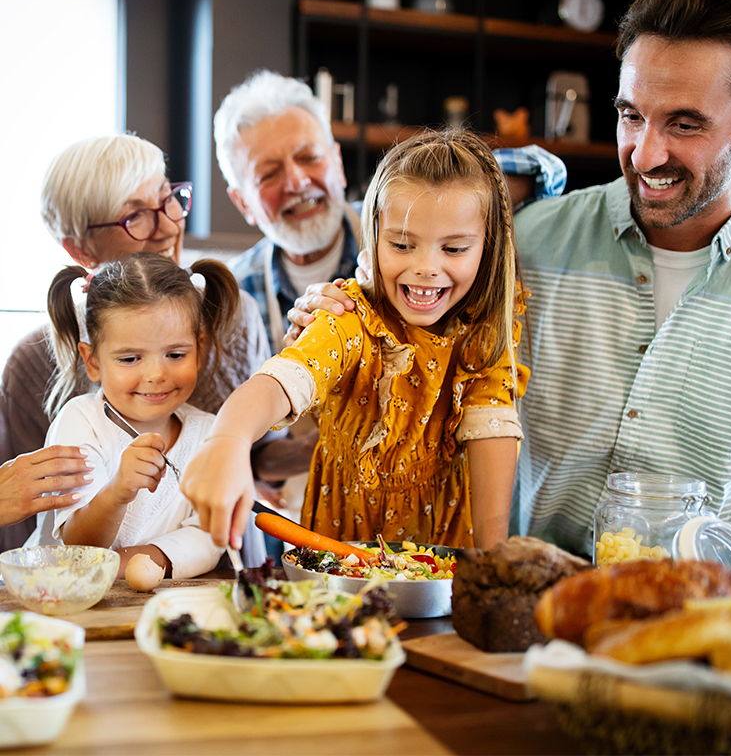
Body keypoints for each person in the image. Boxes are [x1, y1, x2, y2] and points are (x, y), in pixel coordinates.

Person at [288, 0, 731, 564]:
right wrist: (343, 306)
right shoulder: (526, 242)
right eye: (630, 115)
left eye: (685, 125)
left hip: (714, 629)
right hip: (518, 621)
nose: (643, 154)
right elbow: (413, 274)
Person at [181, 129, 530, 552]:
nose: (426, 267)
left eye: (454, 249)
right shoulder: (349, 317)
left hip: (442, 560)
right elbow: (284, 379)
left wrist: (493, 560)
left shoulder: (485, 332)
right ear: (374, 239)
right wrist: (229, 439)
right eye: (402, 245)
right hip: (338, 555)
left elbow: (489, 427)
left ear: (487, 248)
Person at [0, 134, 281, 551]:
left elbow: (261, 452)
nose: (168, 225)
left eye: (169, 201)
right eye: (135, 216)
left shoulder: (233, 318)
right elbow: (35, 519)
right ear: (79, 247)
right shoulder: (32, 363)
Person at [26, 253, 265, 577]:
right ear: (93, 361)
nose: (155, 374)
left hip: (160, 607)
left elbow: (207, 539)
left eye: (175, 354)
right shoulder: (81, 422)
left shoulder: (212, 435)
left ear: (200, 350)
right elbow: (78, 546)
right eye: (130, 359)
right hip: (61, 603)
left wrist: (143, 563)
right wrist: (118, 492)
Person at [214, 69, 359, 354]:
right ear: (243, 202)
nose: (297, 182)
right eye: (269, 174)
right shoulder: (233, 298)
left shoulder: (400, 240)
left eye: (310, 158)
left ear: (338, 164)